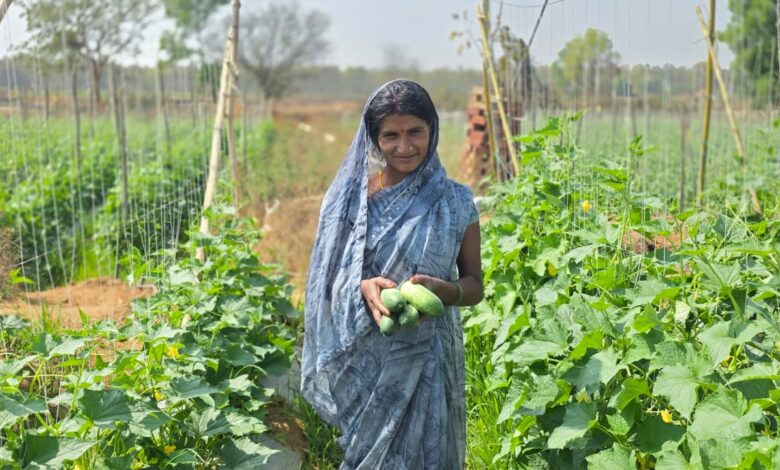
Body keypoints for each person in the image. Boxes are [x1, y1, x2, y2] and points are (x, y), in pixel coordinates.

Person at [301, 79, 483, 469]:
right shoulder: (350, 202)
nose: (405, 146)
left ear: (432, 130)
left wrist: (444, 291)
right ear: (373, 140)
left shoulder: (456, 201)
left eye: (415, 131)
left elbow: (475, 285)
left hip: (430, 353)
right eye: (391, 135)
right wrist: (362, 286)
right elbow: (323, 286)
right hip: (370, 355)